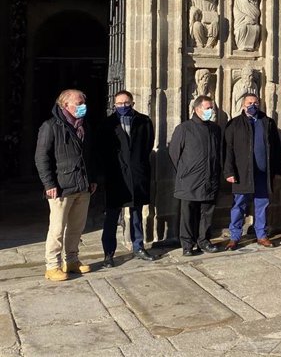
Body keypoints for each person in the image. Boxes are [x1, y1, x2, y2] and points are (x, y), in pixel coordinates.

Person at [35, 89, 97, 281]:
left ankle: (71, 260)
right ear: (65, 105)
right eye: (78, 103)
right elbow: (41, 157)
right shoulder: (51, 126)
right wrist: (48, 184)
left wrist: (92, 178)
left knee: (76, 227)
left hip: (82, 185)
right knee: (57, 229)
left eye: (83, 102)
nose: (82, 106)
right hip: (61, 187)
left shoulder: (85, 125)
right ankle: (52, 266)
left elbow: (89, 155)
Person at [98, 90, 156, 267]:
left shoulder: (144, 121)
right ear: (114, 105)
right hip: (116, 176)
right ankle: (109, 253)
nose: (123, 106)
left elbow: (148, 145)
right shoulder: (108, 124)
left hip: (137, 174)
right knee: (112, 216)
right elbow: (101, 151)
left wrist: (138, 164)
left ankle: (138, 247)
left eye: (126, 103)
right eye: (119, 104)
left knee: (136, 213)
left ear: (132, 103)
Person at [224, 93, 281, 250]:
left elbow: (276, 148)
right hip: (242, 173)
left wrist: (277, 171)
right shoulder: (234, 124)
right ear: (243, 105)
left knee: (262, 204)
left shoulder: (267, 123)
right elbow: (228, 150)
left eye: (256, 103)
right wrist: (229, 172)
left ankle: (262, 235)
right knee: (239, 204)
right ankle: (235, 237)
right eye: (249, 102)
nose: (253, 105)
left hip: (263, 173)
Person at [169, 95, 222, 256]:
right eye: (207, 108)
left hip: (209, 179)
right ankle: (187, 244)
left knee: (207, 213)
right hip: (189, 180)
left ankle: (203, 240)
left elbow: (219, 152)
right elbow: (174, 154)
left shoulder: (215, 129)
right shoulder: (184, 128)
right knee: (188, 214)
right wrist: (185, 172)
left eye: (211, 108)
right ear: (196, 109)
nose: (210, 111)